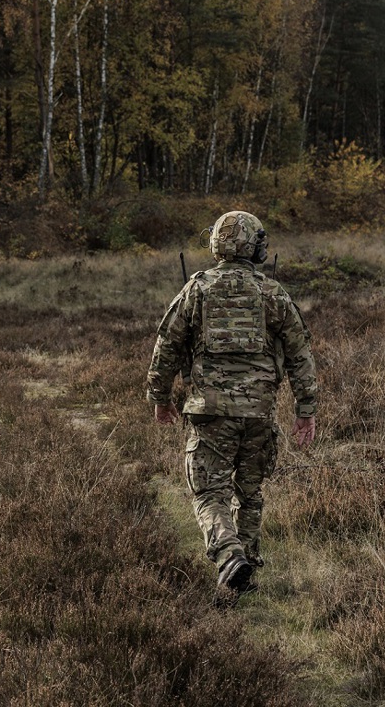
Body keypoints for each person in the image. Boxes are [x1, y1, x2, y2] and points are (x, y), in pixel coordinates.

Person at [146, 210, 317, 598]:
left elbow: (167, 346)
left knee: (209, 491)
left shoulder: (198, 289)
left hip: (210, 412)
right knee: (250, 493)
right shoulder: (272, 293)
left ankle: (228, 555)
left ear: (216, 245)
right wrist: (305, 410)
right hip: (259, 412)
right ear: (256, 247)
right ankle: (245, 573)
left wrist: (159, 397)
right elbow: (300, 353)